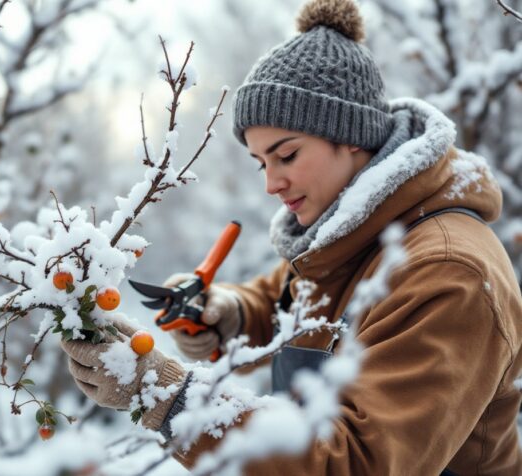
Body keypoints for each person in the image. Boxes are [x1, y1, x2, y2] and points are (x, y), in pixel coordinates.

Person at [60, 0, 522, 474]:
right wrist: (230, 314)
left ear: (351, 135)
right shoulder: (352, 237)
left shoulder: (447, 273)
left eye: (286, 155)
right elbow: (292, 298)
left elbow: (357, 462)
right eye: (262, 163)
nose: (270, 183)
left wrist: (169, 396)